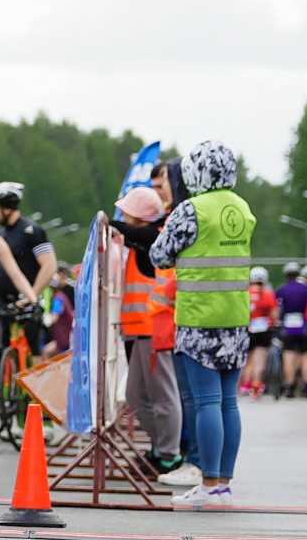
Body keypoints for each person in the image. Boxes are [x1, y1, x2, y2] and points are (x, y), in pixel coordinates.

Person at [151, 140, 256, 505]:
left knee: (207, 401)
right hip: (236, 319)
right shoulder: (242, 208)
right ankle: (224, 484)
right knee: (229, 403)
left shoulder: (191, 209)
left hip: (199, 319)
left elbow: (160, 256)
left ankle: (208, 484)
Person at [110, 186, 187, 478]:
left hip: (154, 328)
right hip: (137, 329)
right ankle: (161, 447)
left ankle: (169, 455)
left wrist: (113, 225)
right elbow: (135, 237)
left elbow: (145, 236)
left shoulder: (155, 238)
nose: (122, 215)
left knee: (163, 397)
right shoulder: (138, 241)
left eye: (127, 211)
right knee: (136, 396)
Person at [0, 181, 57, 352]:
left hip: (26, 305)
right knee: (2, 353)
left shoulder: (32, 231)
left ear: (8, 207)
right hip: (5, 306)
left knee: (32, 354)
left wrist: (30, 296)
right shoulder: (1, 234)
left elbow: (49, 266)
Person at [273, 262, 307, 396]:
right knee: (306, 355)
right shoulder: (305, 288)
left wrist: (276, 321)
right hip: (302, 327)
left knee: (288, 355)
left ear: (286, 276)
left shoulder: (282, 289)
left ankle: (290, 385)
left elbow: (274, 306)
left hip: (288, 328)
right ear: (298, 274)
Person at [243, 266, 277, 396]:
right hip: (263, 330)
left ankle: (245, 384)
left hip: (247, 329)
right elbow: (274, 315)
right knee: (259, 360)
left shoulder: (246, 292)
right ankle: (256, 385)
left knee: (247, 360)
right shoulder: (268, 293)